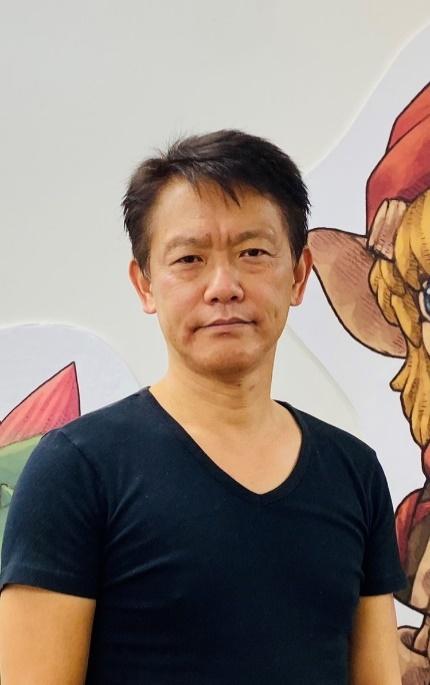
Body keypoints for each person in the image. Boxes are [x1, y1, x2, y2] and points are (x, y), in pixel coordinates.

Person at [0, 130, 405, 684]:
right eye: (189, 258)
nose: (223, 286)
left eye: (253, 253)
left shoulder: (353, 472)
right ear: (145, 284)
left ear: (299, 274)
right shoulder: (77, 469)